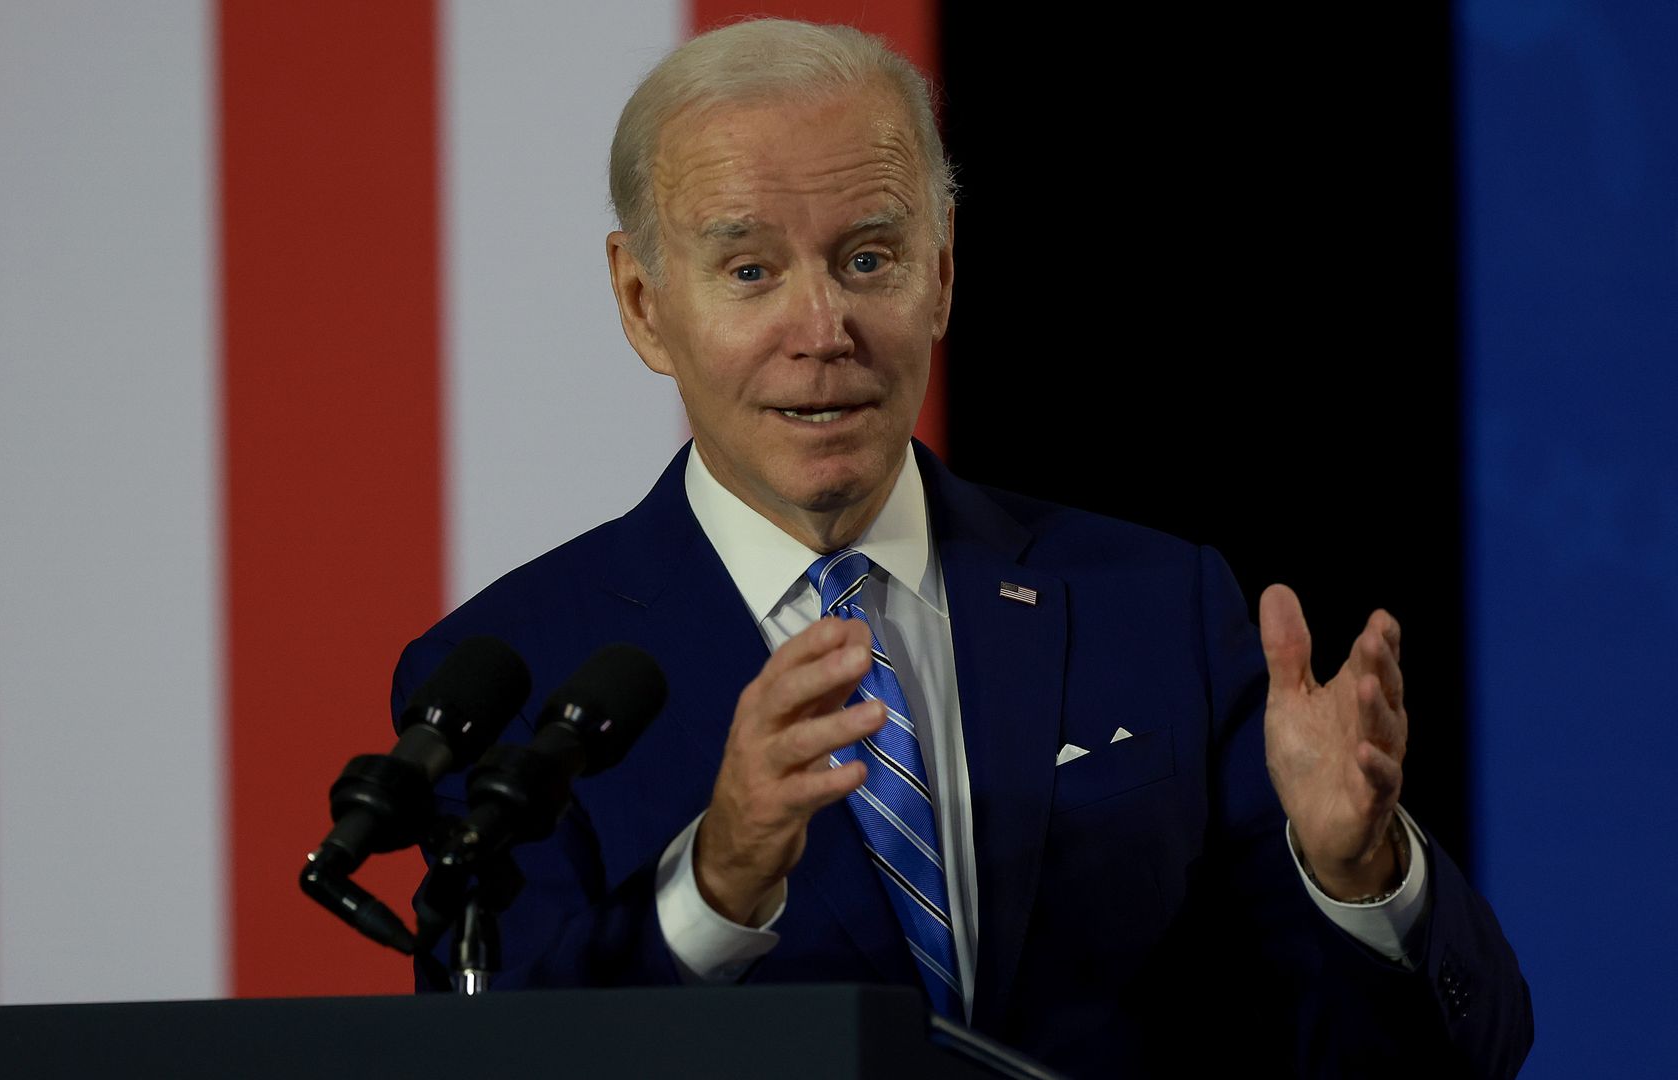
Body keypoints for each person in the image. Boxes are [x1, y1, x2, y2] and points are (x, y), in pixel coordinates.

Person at [394, 18, 1531, 1077]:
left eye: (870, 258)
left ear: (941, 275)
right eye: (749, 271)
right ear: (644, 303)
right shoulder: (511, 674)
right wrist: (716, 884)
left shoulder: (1153, 609)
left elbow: (1451, 1055)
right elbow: (493, 1058)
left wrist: (1357, 879)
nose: (823, 329)